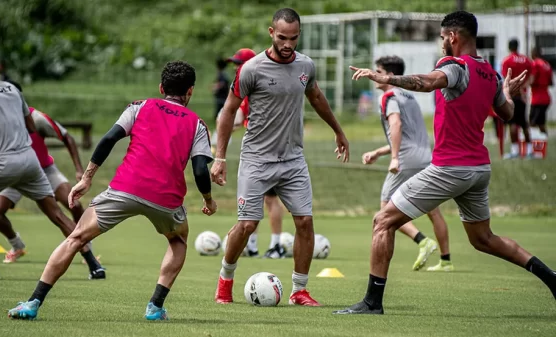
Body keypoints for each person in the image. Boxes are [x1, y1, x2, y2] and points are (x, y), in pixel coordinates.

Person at [337, 10, 556, 315]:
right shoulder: (489, 73)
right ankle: (551, 279)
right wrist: (505, 92)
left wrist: (386, 77)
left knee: (382, 221)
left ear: (453, 37)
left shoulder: (454, 65)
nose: (441, 43)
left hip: (450, 168)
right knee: (484, 239)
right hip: (479, 170)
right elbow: (506, 114)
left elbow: (428, 82)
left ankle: (372, 303)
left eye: (442, 37)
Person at [7, 61, 218, 321]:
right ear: (191, 91)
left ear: (161, 87)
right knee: (178, 240)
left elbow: (108, 140)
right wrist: (209, 200)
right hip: (166, 199)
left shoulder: (139, 107)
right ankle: (155, 307)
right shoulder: (198, 125)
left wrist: (86, 179)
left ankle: (33, 303)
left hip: (124, 189)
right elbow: (200, 171)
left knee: (76, 239)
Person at [211, 8, 350, 307]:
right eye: (283, 38)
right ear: (271, 33)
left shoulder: (305, 65)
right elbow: (228, 111)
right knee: (247, 225)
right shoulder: (251, 69)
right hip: (256, 159)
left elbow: (316, 97)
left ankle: (299, 291)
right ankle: (225, 281)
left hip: (293, 160)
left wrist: (338, 130)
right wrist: (219, 157)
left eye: (294, 38)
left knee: (304, 222)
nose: (288, 44)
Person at [0, 48, 101, 280]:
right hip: (30, 162)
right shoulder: (13, 89)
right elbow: (30, 127)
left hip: (5, 163)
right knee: (57, 215)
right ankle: (94, 265)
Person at [363, 55, 453, 272]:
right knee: (434, 211)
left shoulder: (388, 96)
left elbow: (396, 125)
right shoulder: (410, 97)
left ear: (391, 76)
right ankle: (446, 261)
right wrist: (379, 152)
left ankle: (422, 240)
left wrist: (394, 157)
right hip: (425, 157)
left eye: (379, 71)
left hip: (405, 160)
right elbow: (408, 135)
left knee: (385, 211)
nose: (375, 75)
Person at [223, 48, 287, 259]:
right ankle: (251, 246)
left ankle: (276, 245)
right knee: (255, 199)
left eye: (238, 64)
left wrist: (224, 129)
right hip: (257, 148)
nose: (235, 68)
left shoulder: (258, 83)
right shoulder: (248, 86)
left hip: (270, 149)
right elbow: (239, 117)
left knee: (269, 199)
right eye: (235, 64)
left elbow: (239, 118)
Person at [501, 39, 534, 159]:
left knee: (513, 123)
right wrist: (523, 88)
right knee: (524, 123)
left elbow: (506, 79)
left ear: (509, 47)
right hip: (523, 97)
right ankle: (530, 151)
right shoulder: (526, 60)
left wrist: (515, 89)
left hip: (513, 95)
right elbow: (531, 77)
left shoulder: (507, 61)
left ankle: (515, 151)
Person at [530, 47, 553, 135]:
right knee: (541, 123)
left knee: (532, 122)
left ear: (534, 54)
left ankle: (535, 143)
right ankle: (543, 140)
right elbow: (551, 82)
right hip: (546, 97)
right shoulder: (547, 64)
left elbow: (532, 80)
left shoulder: (535, 64)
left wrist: (524, 83)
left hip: (537, 99)